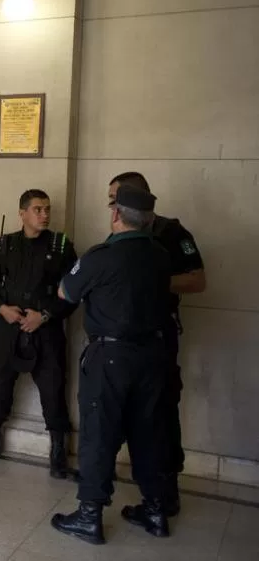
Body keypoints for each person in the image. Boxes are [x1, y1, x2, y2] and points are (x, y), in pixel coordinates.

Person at [51, 185, 173, 545]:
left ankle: (89, 516)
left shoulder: (101, 256)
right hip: (153, 356)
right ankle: (154, 510)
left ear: (116, 215)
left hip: (111, 359)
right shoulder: (161, 256)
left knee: (99, 433)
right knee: (148, 433)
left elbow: (65, 292)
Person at [108, 172, 206, 517]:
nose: (112, 208)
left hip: (158, 338)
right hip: (120, 342)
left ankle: (166, 494)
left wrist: (154, 279)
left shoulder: (172, 233)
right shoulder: (118, 234)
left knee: (160, 414)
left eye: (115, 199)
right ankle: (144, 495)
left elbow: (197, 280)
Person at [0, 189, 78, 478]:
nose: (44, 215)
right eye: (38, 209)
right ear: (22, 213)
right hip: (8, 329)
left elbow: (74, 292)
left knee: (53, 389)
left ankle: (57, 451)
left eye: (47, 209)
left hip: (45, 331)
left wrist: (45, 316)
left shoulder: (62, 246)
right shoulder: (4, 245)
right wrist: (1, 308)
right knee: (0, 383)